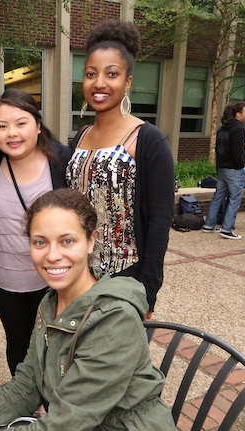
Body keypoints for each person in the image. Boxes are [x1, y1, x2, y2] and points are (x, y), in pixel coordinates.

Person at [0, 189, 179, 431]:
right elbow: (26, 387)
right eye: (40, 242)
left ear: (91, 241)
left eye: (67, 241)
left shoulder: (113, 319)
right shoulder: (51, 302)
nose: (52, 255)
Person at [67, 20, 175, 317]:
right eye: (91, 74)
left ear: (127, 81)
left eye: (111, 74)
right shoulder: (81, 136)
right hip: (77, 273)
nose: (99, 83)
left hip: (125, 276)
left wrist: (148, 292)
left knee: (115, 359)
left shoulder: (148, 139)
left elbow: (159, 219)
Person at [0, 89, 72, 376]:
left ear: (38, 125)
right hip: (4, 276)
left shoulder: (63, 160)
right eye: (2, 126)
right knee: (18, 343)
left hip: (54, 276)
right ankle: (28, 404)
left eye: (21, 123)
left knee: (55, 344)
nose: (12, 133)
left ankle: (54, 403)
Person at [202, 101, 245, 239]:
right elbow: (237, 152)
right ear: (238, 114)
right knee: (234, 199)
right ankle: (227, 229)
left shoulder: (222, 128)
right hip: (234, 169)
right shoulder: (238, 128)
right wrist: (242, 165)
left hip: (222, 167)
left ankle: (209, 225)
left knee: (218, 196)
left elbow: (219, 149)